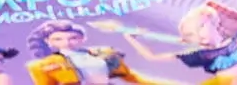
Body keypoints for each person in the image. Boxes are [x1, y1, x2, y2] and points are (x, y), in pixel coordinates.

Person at [113, 1, 237, 85]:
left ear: (212, 21)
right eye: (192, 35)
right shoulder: (202, 55)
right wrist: (130, 38)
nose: (199, 37)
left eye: (200, 28)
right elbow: (152, 57)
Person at [25, 20, 170, 85]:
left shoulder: (105, 53)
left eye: (73, 38)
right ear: (48, 42)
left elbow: (133, 78)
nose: (67, 42)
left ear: (82, 38)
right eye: (58, 39)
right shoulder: (41, 66)